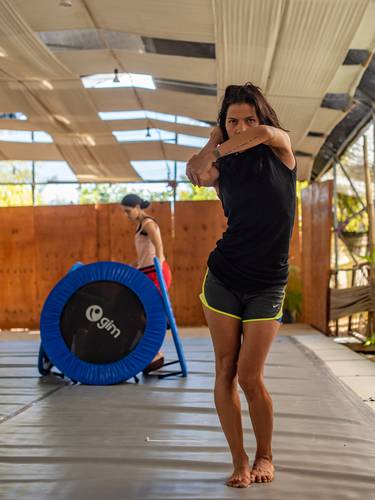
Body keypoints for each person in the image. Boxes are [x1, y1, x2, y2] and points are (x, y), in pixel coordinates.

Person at [186, 83, 296, 488]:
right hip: (225, 277)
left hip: (268, 282)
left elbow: (265, 134)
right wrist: (216, 135)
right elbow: (195, 172)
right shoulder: (222, 166)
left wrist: (223, 141)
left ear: (261, 118)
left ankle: (266, 455)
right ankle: (239, 460)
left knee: (251, 376)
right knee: (224, 370)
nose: (243, 126)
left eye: (249, 118)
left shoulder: (280, 149)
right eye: (233, 120)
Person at [120, 194, 172, 373]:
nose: (127, 215)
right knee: (139, 312)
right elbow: (145, 252)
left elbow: (159, 246)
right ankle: (153, 353)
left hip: (155, 272)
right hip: (146, 272)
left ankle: (155, 353)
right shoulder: (139, 226)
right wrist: (133, 265)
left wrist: (160, 264)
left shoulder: (148, 223)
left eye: (128, 211)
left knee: (149, 313)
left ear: (136, 206)